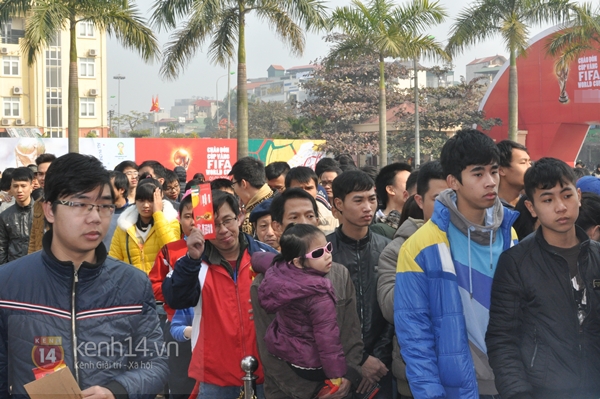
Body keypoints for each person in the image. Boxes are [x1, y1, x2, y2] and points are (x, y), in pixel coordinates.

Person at [0, 153, 168, 398]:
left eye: (104, 206)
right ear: (49, 210)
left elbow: (156, 364)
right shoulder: (8, 285)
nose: (95, 217)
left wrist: (117, 391)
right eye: (80, 204)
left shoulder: (132, 284)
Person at [394, 129, 519, 399]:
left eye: (494, 171)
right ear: (453, 181)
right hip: (457, 389)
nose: (490, 182)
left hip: (513, 384)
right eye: (477, 173)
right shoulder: (420, 246)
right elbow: (415, 336)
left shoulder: (510, 234)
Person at [487, 157, 600, 399]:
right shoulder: (516, 262)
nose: (560, 206)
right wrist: (518, 394)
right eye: (547, 199)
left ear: (579, 195)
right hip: (543, 390)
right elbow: (502, 339)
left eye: (567, 195)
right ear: (531, 207)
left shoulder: (597, 256)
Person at [162, 191, 277, 399]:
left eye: (228, 220)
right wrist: (192, 259)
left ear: (239, 217)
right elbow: (176, 299)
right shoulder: (191, 263)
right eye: (214, 225)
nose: (223, 230)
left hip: (268, 375)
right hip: (215, 378)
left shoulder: (266, 257)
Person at [251, 188, 364, 398]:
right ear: (277, 227)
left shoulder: (339, 274)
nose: (305, 222)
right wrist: (315, 393)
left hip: (338, 387)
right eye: (294, 217)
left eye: (310, 215)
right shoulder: (265, 284)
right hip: (288, 392)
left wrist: (348, 376)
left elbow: (351, 332)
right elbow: (270, 352)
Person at [376, 161, 447, 398]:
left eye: (454, 197)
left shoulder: (472, 244)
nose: (448, 206)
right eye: (439, 198)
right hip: (415, 377)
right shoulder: (398, 249)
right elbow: (390, 307)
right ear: (419, 201)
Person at [328, 170, 394, 398]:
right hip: (337, 369)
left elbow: (394, 308)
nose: (367, 207)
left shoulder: (388, 248)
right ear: (338, 203)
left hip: (382, 368)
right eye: (358, 200)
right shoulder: (324, 254)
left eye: (371, 199)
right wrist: (357, 361)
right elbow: (323, 318)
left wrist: (377, 359)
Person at [258, 224, 347, 390]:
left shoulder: (279, 269)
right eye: (318, 253)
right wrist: (336, 376)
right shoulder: (318, 295)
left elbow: (262, 260)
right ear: (298, 262)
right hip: (311, 366)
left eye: (328, 247)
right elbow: (328, 339)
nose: (327, 255)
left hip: (284, 351)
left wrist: (253, 263)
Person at [149, 192, 196, 399]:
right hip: (177, 327)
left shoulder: (219, 249)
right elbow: (153, 285)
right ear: (179, 218)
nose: (194, 221)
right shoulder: (170, 250)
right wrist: (175, 292)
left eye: (199, 215)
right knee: (180, 383)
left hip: (214, 329)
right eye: (188, 216)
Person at [109, 178, 180, 274]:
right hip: (133, 285)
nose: (146, 205)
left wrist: (158, 214)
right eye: (141, 200)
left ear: (160, 199)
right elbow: (114, 260)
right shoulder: (124, 225)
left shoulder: (170, 220)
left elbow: (172, 251)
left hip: (161, 285)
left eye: (151, 200)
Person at [229, 156, 275, 235]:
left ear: (243, 184)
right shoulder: (274, 198)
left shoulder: (276, 207)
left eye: (234, 184)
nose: (234, 190)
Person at [286, 166, 339, 235]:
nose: (304, 192)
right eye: (299, 189)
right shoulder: (278, 219)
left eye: (309, 188)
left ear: (316, 190)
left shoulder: (331, 220)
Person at [0, 167, 34, 264]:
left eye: (23, 186)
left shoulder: (42, 212)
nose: (19, 190)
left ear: (31, 187)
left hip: (39, 267)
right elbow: (2, 246)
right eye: (15, 186)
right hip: (14, 267)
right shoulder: (5, 216)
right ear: (10, 187)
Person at [372, 163, 412, 239]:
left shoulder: (417, 221)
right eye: (408, 183)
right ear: (390, 190)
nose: (413, 188)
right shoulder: (375, 227)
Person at [27, 154, 57, 254]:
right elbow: (34, 237)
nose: (43, 178)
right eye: (40, 174)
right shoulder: (37, 203)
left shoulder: (65, 202)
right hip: (40, 258)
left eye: (48, 173)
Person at [497, 140, 531, 208]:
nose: (530, 167)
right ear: (501, 170)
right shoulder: (490, 211)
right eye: (523, 162)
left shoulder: (531, 206)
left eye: (529, 162)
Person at [102, 171, 131, 250]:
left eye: (110, 188)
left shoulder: (132, 212)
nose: (105, 192)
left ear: (122, 190)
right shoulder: (98, 210)